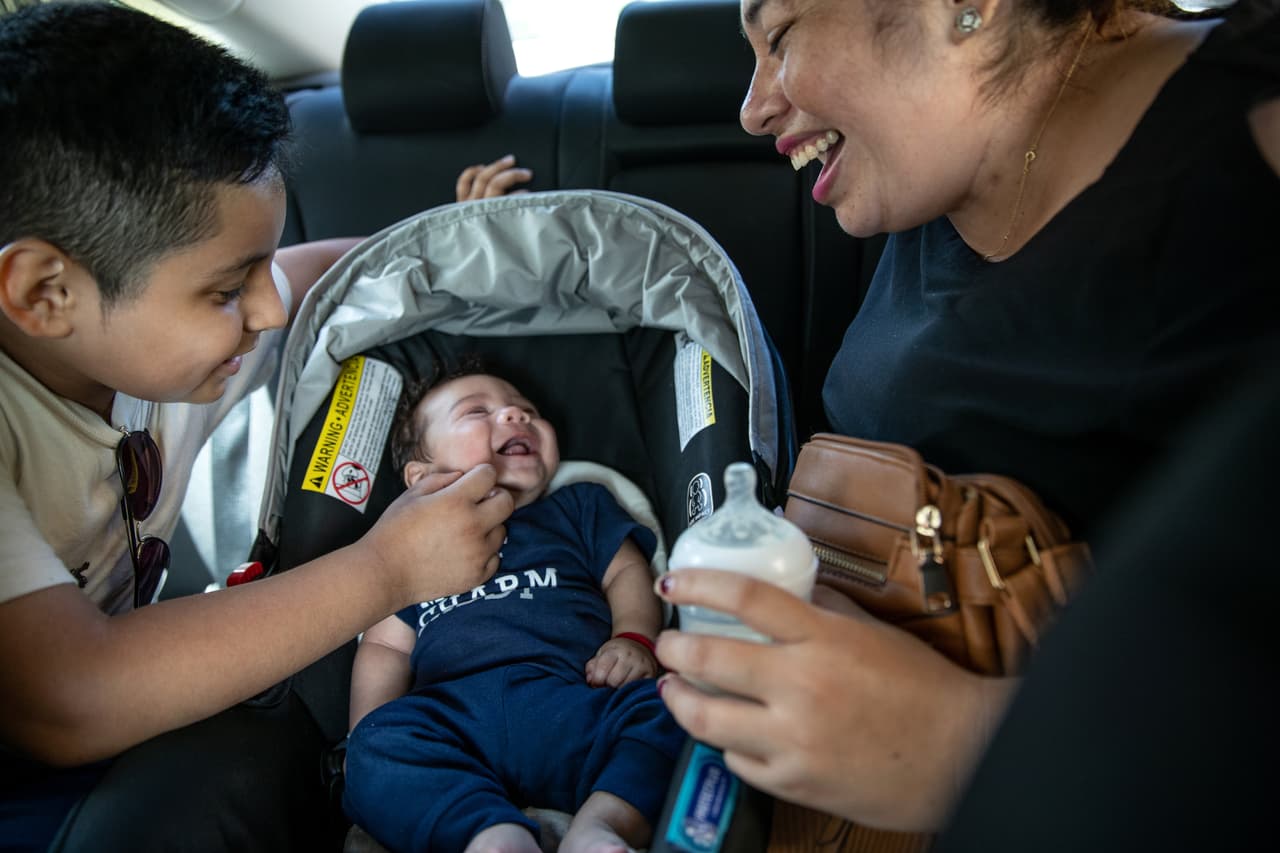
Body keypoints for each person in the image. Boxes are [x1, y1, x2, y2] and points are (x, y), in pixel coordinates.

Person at [650, 0, 1280, 835]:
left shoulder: (1257, 137)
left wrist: (961, 745)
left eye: (783, 37)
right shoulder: (938, 160)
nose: (753, 105)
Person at [0, 4, 511, 850]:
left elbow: (324, 280)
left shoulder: (147, 345)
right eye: (228, 289)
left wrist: (458, 235)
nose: (268, 313)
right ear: (44, 293)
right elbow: (69, 693)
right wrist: (386, 567)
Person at [340, 366, 683, 853]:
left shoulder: (578, 507)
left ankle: (602, 827)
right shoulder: (409, 543)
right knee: (375, 751)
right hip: (451, 718)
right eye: (477, 411)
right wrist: (367, 727)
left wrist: (633, 638)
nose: (516, 413)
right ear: (422, 475)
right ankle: (490, 837)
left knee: (674, 706)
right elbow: (382, 645)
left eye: (529, 411)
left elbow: (628, 574)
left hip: (574, 701)